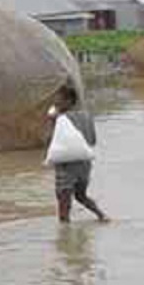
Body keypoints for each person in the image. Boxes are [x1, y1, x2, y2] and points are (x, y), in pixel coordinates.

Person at [51, 85, 108, 223]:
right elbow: (92, 140)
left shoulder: (60, 118)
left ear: (69, 100)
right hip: (84, 166)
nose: (55, 103)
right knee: (81, 196)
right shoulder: (87, 116)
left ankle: (65, 238)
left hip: (66, 167)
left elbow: (53, 142)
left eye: (59, 100)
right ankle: (102, 216)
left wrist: (52, 121)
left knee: (64, 206)